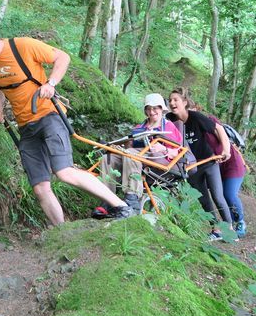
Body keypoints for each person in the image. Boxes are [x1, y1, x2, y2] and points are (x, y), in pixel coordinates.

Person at [0, 17, 133, 225]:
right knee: (40, 187)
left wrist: (51, 83)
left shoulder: (22, 46)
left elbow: (63, 57)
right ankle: (62, 233)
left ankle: (122, 207)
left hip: (49, 116)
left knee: (64, 172)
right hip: (25, 127)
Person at [167, 87, 235, 240]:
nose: (172, 103)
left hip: (209, 162)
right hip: (191, 167)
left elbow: (219, 128)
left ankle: (230, 229)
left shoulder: (196, 117)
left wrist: (226, 150)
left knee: (217, 196)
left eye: (175, 100)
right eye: (170, 100)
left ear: (184, 102)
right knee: (203, 199)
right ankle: (216, 229)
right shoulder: (169, 120)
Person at [98, 93, 182, 212]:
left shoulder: (168, 126)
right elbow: (129, 145)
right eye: (148, 108)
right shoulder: (140, 126)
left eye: (155, 108)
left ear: (162, 109)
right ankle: (107, 199)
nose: (151, 111)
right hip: (134, 154)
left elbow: (178, 151)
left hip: (154, 158)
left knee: (131, 154)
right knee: (108, 158)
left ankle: (132, 198)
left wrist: (163, 148)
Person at [204, 115, 247, 237]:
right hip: (216, 167)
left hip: (232, 164)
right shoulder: (189, 130)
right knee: (219, 195)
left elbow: (222, 137)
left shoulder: (209, 121)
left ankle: (239, 222)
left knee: (229, 194)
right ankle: (226, 225)